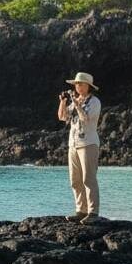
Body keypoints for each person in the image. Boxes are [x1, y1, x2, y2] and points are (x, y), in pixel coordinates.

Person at [57, 71, 101, 223]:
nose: (78, 86)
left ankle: (93, 213)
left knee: (89, 179)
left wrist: (76, 104)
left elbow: (85, 118)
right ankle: (81, 211)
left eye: (81, 84)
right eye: (76, 84)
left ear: (89, 86)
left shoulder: (94, 102)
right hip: (74, 144)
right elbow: (62, 117)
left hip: (88, 143)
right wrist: (63, 102)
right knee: (75, 180)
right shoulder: (76, 100)